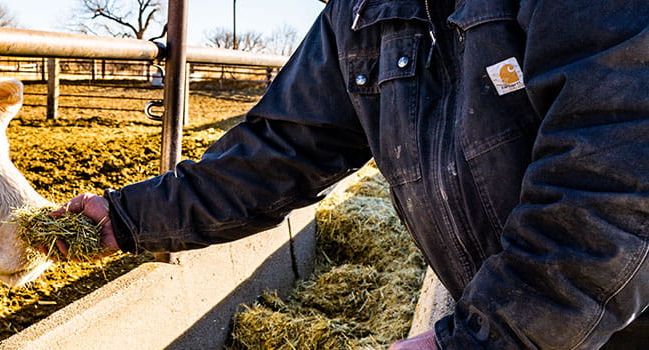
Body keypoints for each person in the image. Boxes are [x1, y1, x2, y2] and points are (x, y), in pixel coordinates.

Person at [53, 0, 649, 348]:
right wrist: (128, 217)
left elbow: (618, 169)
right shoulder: (364, 12)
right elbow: (280, 149)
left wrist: (486, 338)